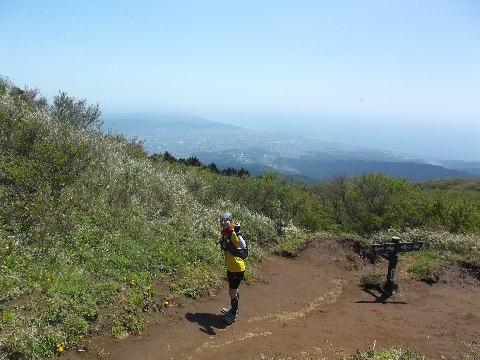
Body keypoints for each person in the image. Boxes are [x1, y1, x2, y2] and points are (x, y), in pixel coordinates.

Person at [219, 211, 245, 324]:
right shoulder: (225, 233)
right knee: (234, 290)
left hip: (237, 268)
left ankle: (234, 313)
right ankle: (234, 309)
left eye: (226, 220)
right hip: (231, 267)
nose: (223, 222)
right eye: (221, 220)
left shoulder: (233, 233)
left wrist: (238, 232)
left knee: (232, 292)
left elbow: (242, 245)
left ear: (231, 221)